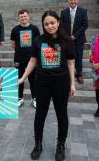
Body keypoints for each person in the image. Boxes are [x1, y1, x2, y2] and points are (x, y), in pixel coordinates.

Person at [18, 11, 76, 161]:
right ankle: (38, 143)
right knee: (40, 115)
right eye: (46, 24)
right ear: (43, 25)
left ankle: (61, 145)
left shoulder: (67, 40)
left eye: (52, 23)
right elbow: (32, 61)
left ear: (58, 22)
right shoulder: (38, 40)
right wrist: (23, 78)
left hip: (61, 83)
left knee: (61, 114)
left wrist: (73, 84)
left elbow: (70, 62)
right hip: (42, 83)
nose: (50, 26)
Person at [10, 9, 40, 108]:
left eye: (25, 16)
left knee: (33, 80)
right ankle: (19, 98)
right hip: (19, 59)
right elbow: (13, 45)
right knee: (19, 79)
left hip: (32, 59)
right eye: (21, 17)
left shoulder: (34, 29)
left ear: (28, 16)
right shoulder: (15, 30)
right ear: (19, 18)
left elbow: (38, 44)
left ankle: (34, 98)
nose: (23, 18)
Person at [60, 0, 88, 84]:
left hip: (79, 39)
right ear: (69, 1)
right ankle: (67, 74)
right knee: (67, 57)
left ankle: (79, 75)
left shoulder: (83, 11)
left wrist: (75, 36)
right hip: (67, 40)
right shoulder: (63, 12)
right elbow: (61, 26)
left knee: (79, 57)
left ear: (77, 0)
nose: (73, 1)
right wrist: (67, 37)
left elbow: (85, 25)